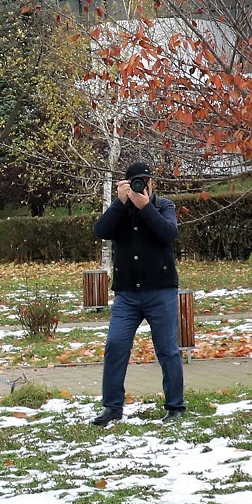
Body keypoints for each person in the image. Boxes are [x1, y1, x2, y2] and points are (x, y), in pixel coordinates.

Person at [91, 159, 183, 426]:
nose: (140, 187)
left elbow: (169, 234)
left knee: (168, 350)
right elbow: (101, 231)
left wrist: (145, 209)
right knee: (115, 346)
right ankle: (112, 407)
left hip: (161, 290)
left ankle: (176, 406)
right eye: (134, 182)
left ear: (152, 183)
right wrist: (119, 204)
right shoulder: (121, 210)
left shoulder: (162, 205)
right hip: (127, 295)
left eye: (144, 181)